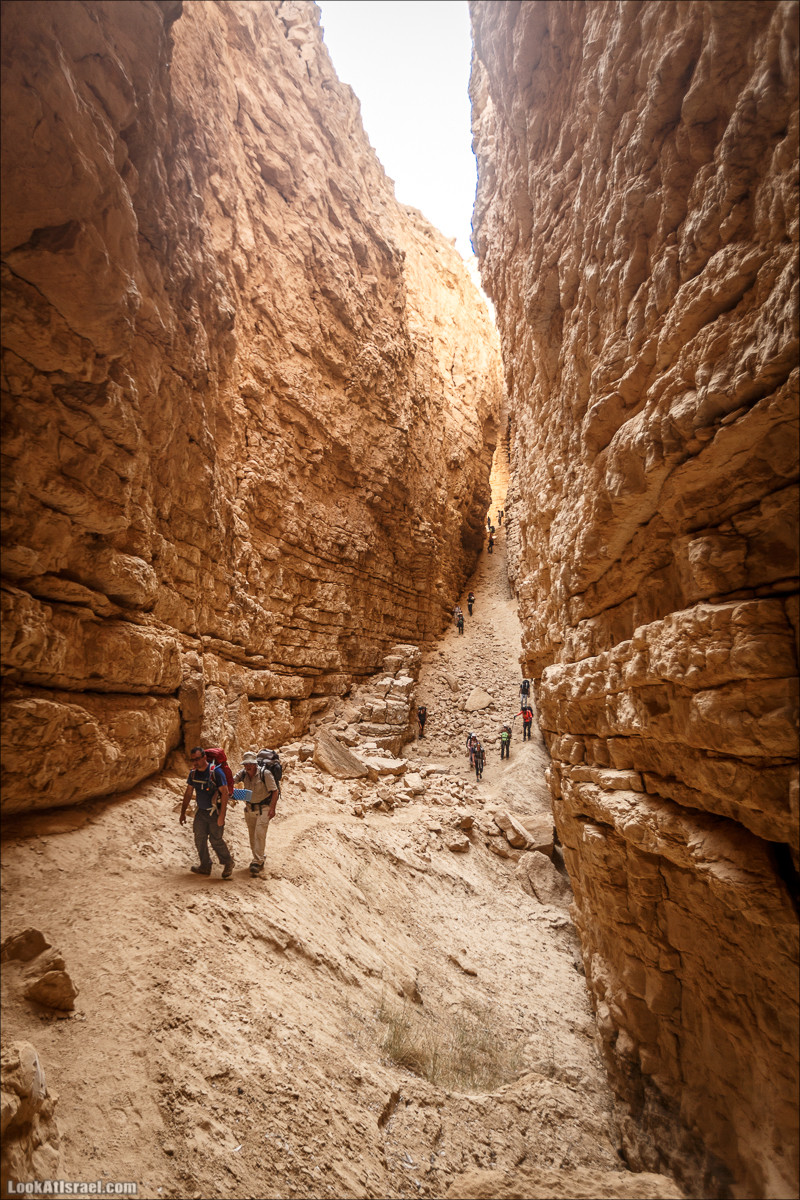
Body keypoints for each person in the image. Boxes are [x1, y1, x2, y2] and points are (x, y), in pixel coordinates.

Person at [180, 747, 234, 878]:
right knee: (199, 838)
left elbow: (225, 793)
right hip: (201, 812)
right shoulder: (193, 774)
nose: (195, 762)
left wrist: (222, 816)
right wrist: (182, 812)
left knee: (215, 840)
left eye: (198, 759)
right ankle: (205, 865)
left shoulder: (216, 772)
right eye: (193, 760)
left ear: (204, 757)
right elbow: (188, 793)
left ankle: (228, 863)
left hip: (215, 812)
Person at [233, 751, 278, 876]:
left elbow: (275, 791)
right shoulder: (243, 773)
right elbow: (231, 781)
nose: (247, 766)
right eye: (246, 764)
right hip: (249, 808)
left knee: (259, 834)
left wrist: (272, 808)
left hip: (264, 808)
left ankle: (257, 862)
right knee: (252, 835)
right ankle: (259, 857)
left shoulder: (265, 774)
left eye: (250, 764)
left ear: (255, 764)